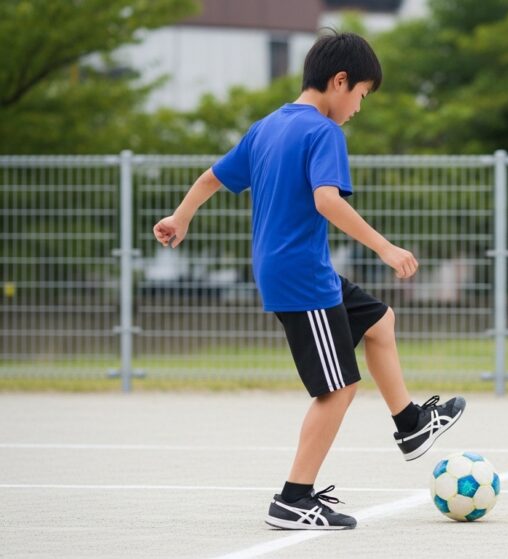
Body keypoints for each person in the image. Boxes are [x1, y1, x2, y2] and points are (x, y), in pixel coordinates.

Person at [152, 31, 466, 530]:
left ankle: (410, 425)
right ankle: (293, 498)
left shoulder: (267, 127)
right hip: (301, 275)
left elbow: (213, 177)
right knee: (338, 389)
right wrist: (385, 247)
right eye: (361, 94)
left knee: (380, 320)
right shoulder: (324, 132)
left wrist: (180, 216)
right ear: (340, 81)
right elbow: (327, 200)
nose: (358, 107)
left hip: (294, 268)